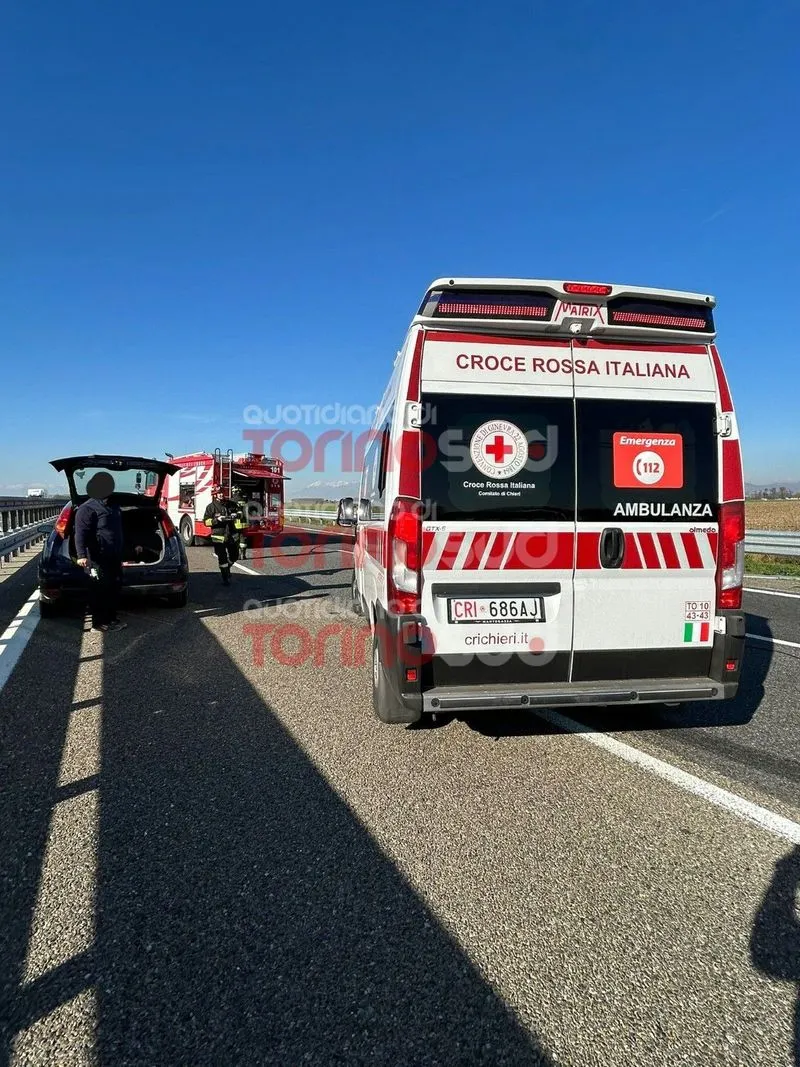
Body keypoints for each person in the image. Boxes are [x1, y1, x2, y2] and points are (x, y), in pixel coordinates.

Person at [74, 471, 128, 632]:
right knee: (99, 589)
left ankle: (111, 619)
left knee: (114, 587)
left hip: (113, 556)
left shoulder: (113, 506)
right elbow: (80, 533)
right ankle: (98, 623)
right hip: (96, 558)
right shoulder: (87, 508)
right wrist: (81, 555)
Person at [203, 483, 240, 584]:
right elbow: (206, 522)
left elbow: (240, 514)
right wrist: (217, 520)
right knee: (222, 557)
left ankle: (227, 567)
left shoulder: (231, 504)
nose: (221, 494)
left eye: (222, 492)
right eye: (219, 493)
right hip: (218, 536)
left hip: (232, 534)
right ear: (214, 494)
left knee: (235, 555)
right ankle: (225, 577)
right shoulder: (210, 507)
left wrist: (236, 515)